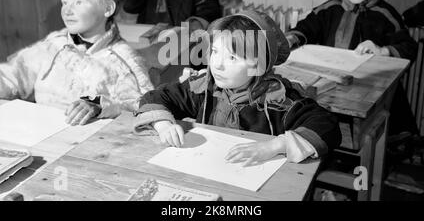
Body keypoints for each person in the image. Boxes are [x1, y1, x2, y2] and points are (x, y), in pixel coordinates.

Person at [133, 11, 341, 164]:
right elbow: (156, 97)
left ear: (259, 63)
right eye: (215, 52)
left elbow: (327, 126)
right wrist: (163, 125)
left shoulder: (279, 100)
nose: (217, 64)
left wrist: (275, 146)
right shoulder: (204, 89)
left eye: (232, 57)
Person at [285, 0, 419, 139]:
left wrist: (383, 50)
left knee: (372, 132)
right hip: (327, 86)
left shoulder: (386, 15)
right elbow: (306, 28)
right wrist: (292, 38)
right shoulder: (329, 8)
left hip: (368, 90)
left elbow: (408, 46)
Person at [0, 0, 154, 125]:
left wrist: (100, 106)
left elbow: (146, 107)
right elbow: (14, 75)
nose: (67, 10)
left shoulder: (125, 61)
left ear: (108, 8)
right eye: (65, 2)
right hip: (41, 135)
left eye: (78, 2)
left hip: (91, 144)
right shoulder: (55, 44)